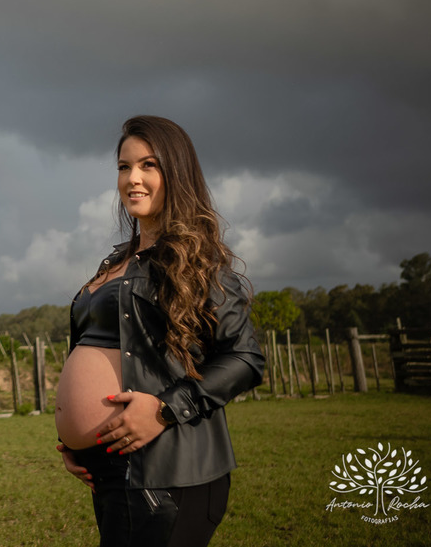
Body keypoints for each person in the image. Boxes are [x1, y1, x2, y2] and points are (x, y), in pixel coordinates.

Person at [54, 115, 264, 547]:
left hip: (168, 472)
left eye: (149, 165)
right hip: (114, 469)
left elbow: (245, 358)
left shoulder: (197, 259)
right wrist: (75, 441)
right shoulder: (118, 260)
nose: (133, 178)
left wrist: (166, 409)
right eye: (123, 167)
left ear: (177, 173)